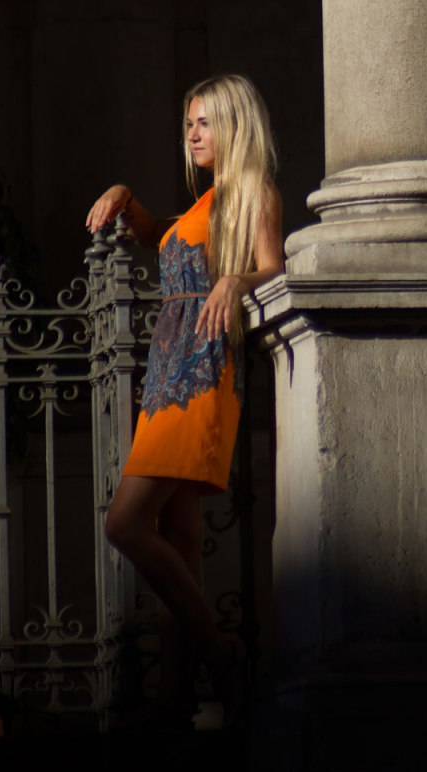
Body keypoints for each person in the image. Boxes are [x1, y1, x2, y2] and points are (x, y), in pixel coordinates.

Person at [85, 74, 284, 729]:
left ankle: (222, 653)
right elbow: (155, 236)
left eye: (205, 123)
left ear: (234, 126)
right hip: (167, 372)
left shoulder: (253, 190)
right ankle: (176, 700)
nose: (193, 134)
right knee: (178, 539)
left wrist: (236, 280)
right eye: (189, 124)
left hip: (200, 375)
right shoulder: (208, 201)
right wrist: (123, 194)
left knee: (124, 525)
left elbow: (275, 269)